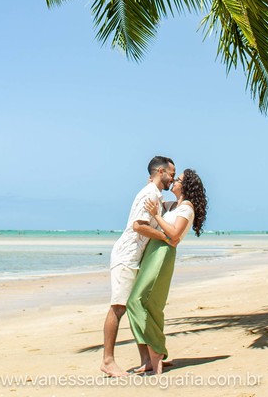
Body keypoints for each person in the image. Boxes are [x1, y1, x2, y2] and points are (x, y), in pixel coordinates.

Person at [125, 168, 208, 375]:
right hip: (154, 250)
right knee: (152, 306)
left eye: (178, 179)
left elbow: (174, 235)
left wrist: (155, 216)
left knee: (136, 301)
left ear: (186, 186)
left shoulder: (187, 208)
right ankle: (153, 358)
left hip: (163, 252)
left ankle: (158, 352)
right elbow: (154, 203)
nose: (174, 181)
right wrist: (152, 184)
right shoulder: (174, 206)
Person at [100, 156, 175, 378]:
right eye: (171, 173)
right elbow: (138, 226)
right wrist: (165, 237)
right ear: (160, 171)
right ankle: (107, 361)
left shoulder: (157, 196)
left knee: (135, 306)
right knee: (119, 306)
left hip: (136, 257)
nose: (172, 178)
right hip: (126, 256)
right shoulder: (149, 193)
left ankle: (146, 359)